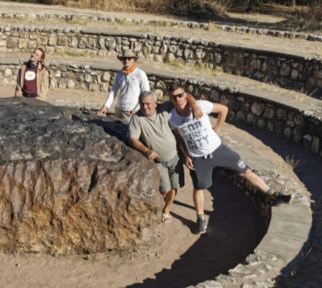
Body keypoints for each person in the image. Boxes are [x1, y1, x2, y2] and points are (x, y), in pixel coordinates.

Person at [167, 83, 292, 234]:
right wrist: (186, 155)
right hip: (198, 157)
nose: (178, 99)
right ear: (171, 99)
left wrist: (218, 128)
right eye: (174, 97)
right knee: (199, 187)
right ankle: (200, 219)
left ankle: (272, 195)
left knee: (245, 171)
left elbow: (223, 109)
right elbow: (179, 139)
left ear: (185, 94)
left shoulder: (200, 105)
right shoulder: (172, 118)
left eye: (180, 95)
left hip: (219, 150)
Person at [129, 91, 184, 224]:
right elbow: (133, 139)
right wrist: (146, 150)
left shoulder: (164, 108)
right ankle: (161, 207)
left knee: (174, 186)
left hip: (175, 157)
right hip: (159, 161)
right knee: (165, 188)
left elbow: (182, 99)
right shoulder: (137, 118)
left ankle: (166, 210)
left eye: (148, 104)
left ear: (155, 103)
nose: (145, 107)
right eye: (142, 104)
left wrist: (195, 106)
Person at [97, 50, 150, 125]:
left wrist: (137, 109)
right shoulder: (119, 74)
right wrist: (106, 106)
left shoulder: (140, 74)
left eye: (129, 58)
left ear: (133, 60)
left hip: (132, 112)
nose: (126, 61)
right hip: (119, 110)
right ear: (122, 60)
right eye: (124, 58)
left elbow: (146, 93)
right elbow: (114, 91)